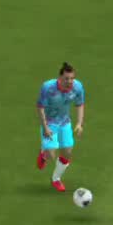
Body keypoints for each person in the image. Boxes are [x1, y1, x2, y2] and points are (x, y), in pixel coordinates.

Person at [36, 62, 86, 193]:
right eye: (66, 78)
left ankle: (56, 179)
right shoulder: (48, 88)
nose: (69, 82)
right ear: (60, 78)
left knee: (67, 153)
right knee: (51, 155)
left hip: (65, 122)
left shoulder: (78, 87)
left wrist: (79, 123)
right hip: (49, 123)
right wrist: (45, 127)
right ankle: (44, 154)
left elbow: (80, 104)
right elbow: (40, 108)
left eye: (72, 78)